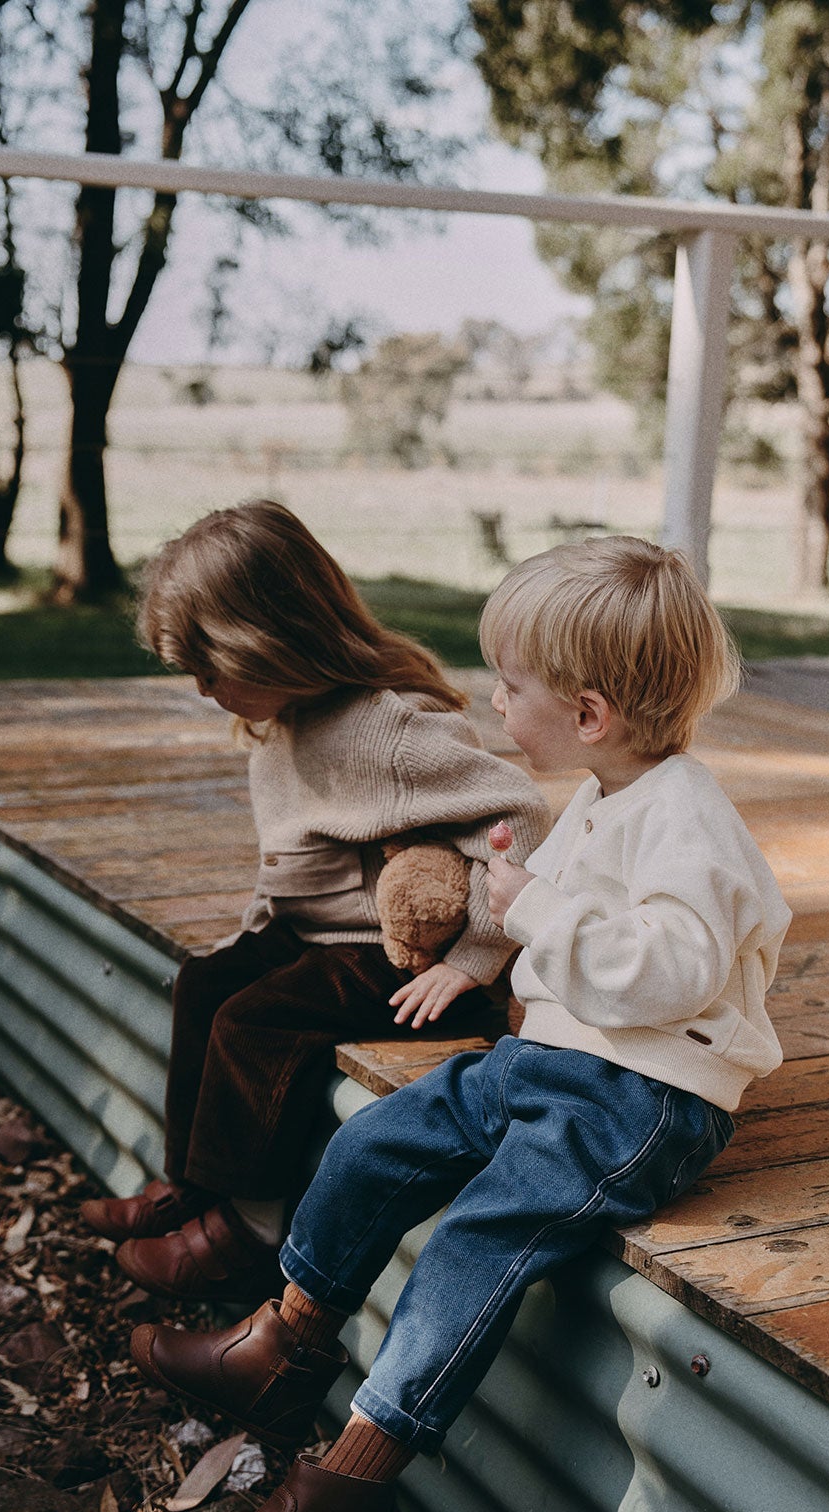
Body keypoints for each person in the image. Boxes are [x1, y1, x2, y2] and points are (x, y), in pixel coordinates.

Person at [133, 533, 793, 1512]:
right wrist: (513, 914)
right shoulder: (606, 791)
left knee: (472, 1246)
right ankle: (286, 1339)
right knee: (374, 1139)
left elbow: (670, 975)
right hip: (558, 1061)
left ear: (589, 715)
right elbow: (564, 930)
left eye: (512, 683)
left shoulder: (689, 825)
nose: (493, 696)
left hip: (645, 1099)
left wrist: (533, 907)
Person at [81, 499, 550, 1301]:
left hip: (394, 958)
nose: (201, 689)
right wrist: (249, 941)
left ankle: (247, 1231)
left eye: (209, 668)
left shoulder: (386, 731)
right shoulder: (287, 720)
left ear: (269, 643)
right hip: (320, 934)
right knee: (208, 984)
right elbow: (292, 861)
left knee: (253, 1021)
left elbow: (524, 818)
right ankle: (197, 1186)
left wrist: (474, 961)